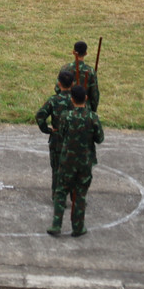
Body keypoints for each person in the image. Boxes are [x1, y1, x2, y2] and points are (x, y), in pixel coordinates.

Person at [48, 84, 103, 237]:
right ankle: (78, 227)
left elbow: (62, 134)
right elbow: (100, 138)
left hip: (67, 160)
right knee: (80, 194)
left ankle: (56, 224)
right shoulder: (92, 117)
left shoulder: (66, 116)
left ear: (72, 99)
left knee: (61, 191)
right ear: (86, 98)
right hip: (85, 161)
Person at [36, 71, 75, 197]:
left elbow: (40, 116)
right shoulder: (78, 100)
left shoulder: (54, 100)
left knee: (57, 169)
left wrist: (47, 130)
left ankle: (58, 196)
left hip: (57, 139)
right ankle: (75, 196)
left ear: (59, 83)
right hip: (74, 139)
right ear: (73, 84)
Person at [61, 41, 99, 111]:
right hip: (84, 108)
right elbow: (94, 94)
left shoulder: (65, 68)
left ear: (73, 52)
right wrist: (93, 110)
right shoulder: (90, 71)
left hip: (67, 106)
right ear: (86, 53)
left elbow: (58, 88)